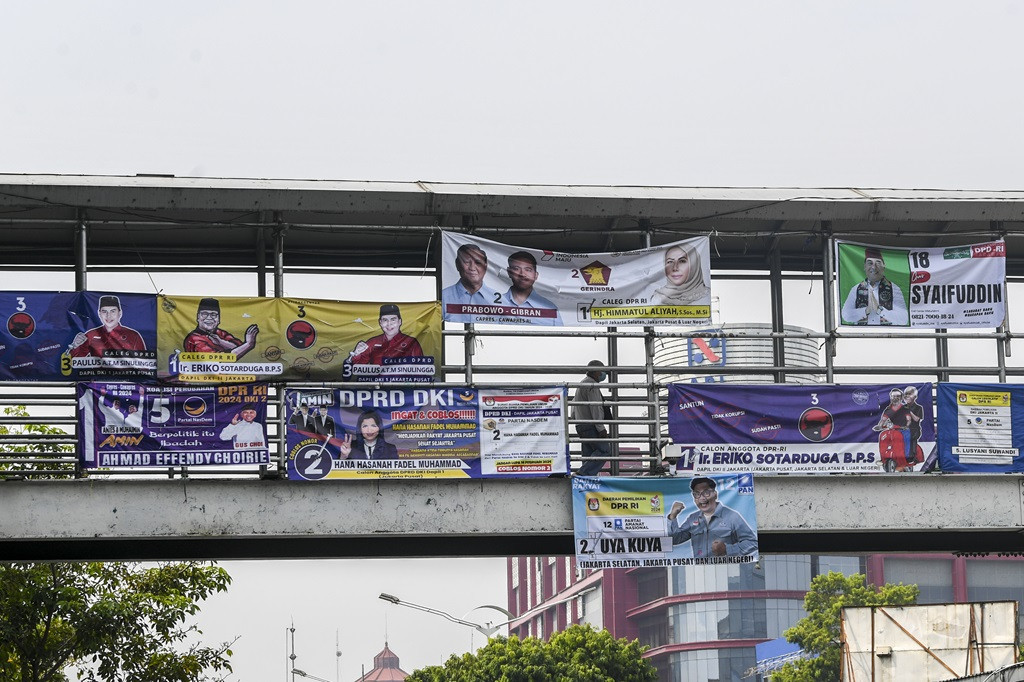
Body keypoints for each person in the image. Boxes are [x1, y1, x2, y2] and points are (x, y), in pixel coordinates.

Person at [666, 477, 757, 558]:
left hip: (726, 570)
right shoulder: (693, 518)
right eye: (697, 494)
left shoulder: (732, 517)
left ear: (715, 494)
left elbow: (752, 543)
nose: (702, 498)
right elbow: (675, 540)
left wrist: (727, 549)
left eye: (706, 493)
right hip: (699, 571)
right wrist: (672, 516)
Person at [841, 247, 908, 326]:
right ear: (864, 267)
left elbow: (904, 319)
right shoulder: (856, 289)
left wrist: (881, 311)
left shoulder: (894, 288)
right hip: (861, 336)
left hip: (887, 336)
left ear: (884, 266)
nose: (874, 267)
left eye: (878, 263)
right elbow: (845, 315)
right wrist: (865, 311)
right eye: (870, 263)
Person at [69, 295, 146, 357]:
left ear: (120, 313)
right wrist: (75, 346)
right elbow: (75, 362)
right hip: (98, 376)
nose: (108, 316)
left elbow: (144, 364)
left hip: (126, 376)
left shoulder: (133, 336)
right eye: (104, 311)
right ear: (99, 314)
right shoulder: (91, 335)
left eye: (113, 311)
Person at [500, 251, 562, 325]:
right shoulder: (494, 304)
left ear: (536, 275)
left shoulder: (549, 308)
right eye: (516, 269)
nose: (522, 274)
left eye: (528, 270)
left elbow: (560, 336)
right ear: (509, 272)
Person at [183, 298, 259, 358]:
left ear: (218, 319)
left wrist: (221, 342)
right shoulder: (193, 339)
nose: (209, 318)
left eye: (213, 314)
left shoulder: (219, 333)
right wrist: (249, 344)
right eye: (205, 314)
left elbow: (238, 346)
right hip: (200, 377)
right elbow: (222, 359)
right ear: (198, 317)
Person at [441, 244, 499, 322]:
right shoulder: (443, 297)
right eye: (467, 262)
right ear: (457, 264)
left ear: (485, 267)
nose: (472, 268)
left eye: (478, 263)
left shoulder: (498, 299)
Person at [349, 304, 424, 364]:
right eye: (385, 320)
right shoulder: (372, 343)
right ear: (380, 322)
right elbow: (357, 367)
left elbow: (421, 369)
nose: (389, 324)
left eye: (393, 320)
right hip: (377, 383)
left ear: (400, 322)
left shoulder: (411, 343)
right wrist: (357, 353)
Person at [572, 360, 611, 476]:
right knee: (604, 451)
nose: (603, 374)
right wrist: (600, 428)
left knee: (589, 456)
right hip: (591, 425)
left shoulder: (581, 384)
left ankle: (585, 480)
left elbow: (573, 411)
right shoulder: (592, 385)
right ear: (597, 371)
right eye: (602, 371)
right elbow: (595, 407)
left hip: (581, 425)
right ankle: (582, 474)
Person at [902, 385, 924, 463]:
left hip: (914, 430)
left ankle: (911, 458)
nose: (907, 396)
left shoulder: (919, 407)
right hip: (903, 429)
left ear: (915, 396)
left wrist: (909, 411)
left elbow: (917, 419)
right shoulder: (902, 407)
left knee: (912, 440)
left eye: (909, 394)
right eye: (906, 394)